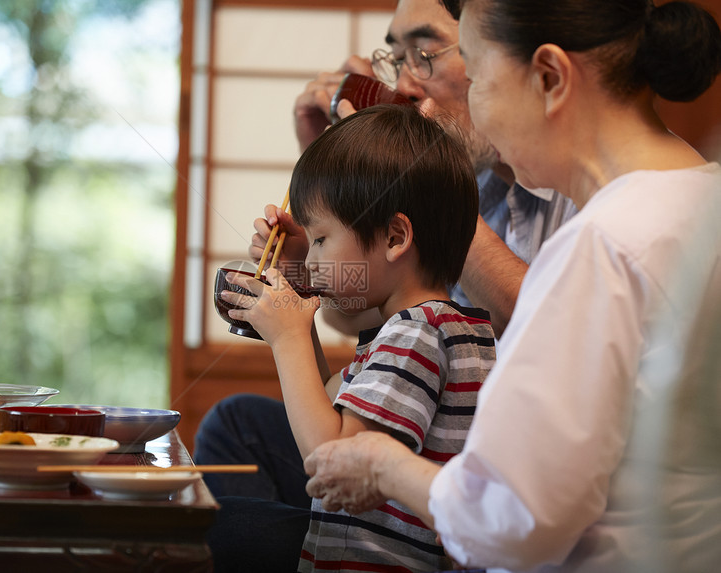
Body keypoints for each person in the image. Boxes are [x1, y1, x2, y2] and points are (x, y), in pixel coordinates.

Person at [303, 1, 721, 571]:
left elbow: (511, 519)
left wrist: (382, 465)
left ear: (549, 77)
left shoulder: (602, 244)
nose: (471, 105)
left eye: (476, 75)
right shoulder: (702, 198)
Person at [194, 0, 575, 509]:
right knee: (235, 423)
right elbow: (354, 330)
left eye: (425, 53)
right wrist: (307, 276)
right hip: (395, 474)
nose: (407, 84)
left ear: (498, 53)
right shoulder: (415, 318)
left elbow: (334, 452)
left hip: (472, 492)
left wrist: (413, 179)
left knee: (225, 527)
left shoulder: (425, 324)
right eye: (397, 60)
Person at [218, 104, 496, 572]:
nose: (312, 260)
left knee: (218, 526)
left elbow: (331, 456)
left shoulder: (418, 332)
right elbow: (331, 405)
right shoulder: (443, 325)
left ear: (394, 237)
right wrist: (298, 319)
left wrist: (287, 341)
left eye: (322, 239)